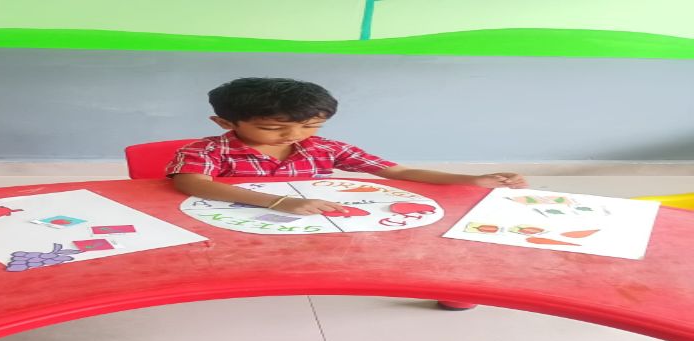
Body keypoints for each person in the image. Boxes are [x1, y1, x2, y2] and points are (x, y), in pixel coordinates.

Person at [166, 77, 528, 215]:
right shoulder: (208, 150)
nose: (293, 135)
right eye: (273, 128)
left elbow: (398, 171)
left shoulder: (325, 148)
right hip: (235, 215)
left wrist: (471, 179)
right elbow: (193, 183)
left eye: (310, 126)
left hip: (310, 216)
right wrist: (278, 202)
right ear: (226, 123)